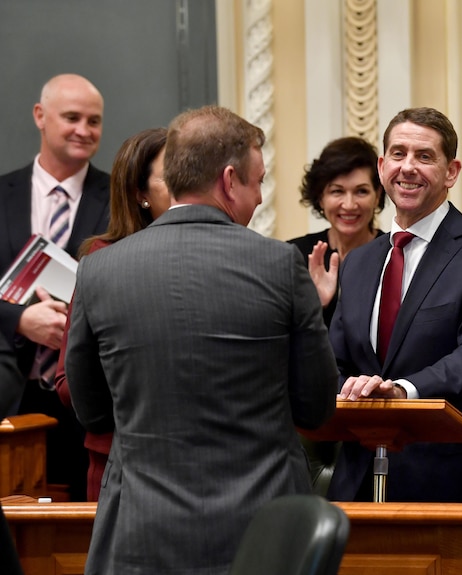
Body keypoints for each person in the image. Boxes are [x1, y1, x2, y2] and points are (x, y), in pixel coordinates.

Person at [65, 105, 339, 575]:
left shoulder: (99, 269)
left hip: (140, 530)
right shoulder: (279, 265)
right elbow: (316, 406)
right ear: (230, 181)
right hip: (261, 531)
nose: (257, 197)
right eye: (258, 182)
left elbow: (91, 410)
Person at [327, 107, 462, 503]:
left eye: (425, 156)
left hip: (454, 482)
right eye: (398, 155)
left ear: (451, 171)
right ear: (382, 167)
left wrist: (401, 392)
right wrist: (348, 392)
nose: (408, 168)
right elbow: (335, 361)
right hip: (359, 480)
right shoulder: (360, 262)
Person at [0, 73, 109, 500]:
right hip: (9, 394)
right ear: (40, 116)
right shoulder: (1, 194)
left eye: (94, 121)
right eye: (72, 117)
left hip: (82, 398)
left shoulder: (119, 198)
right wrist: (20, 319)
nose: (84, 130)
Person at [53, 127, 169, 502]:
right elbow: (67, 382)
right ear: (140, 194)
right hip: (118, 461)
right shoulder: (101, 261)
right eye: (172, 177)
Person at [288, 136, 386, 326]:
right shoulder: (295, 255)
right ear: (320, 198)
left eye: (361, 191)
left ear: (377, 196)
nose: (349, 205)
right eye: (337, 191)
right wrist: (313, 305)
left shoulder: (395, 256)